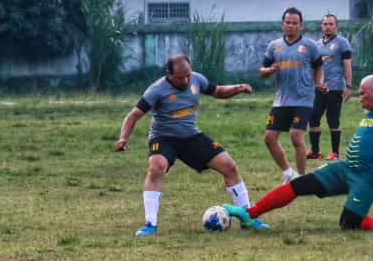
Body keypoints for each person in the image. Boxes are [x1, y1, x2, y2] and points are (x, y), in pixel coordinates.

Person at [225, 59, 373, 231]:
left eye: (362, 94)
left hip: (368, 178)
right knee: (298, 184)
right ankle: (250, 213)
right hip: (346, 168)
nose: (359, 98)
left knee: (348, 224)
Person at [115, 54, 269, 236]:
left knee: (229, 166)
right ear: (169, 74)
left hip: (191, 136)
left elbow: (218, 91)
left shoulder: (197, 79)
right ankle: (150, 224)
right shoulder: (156, 90)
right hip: (164, 138)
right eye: (181, 77)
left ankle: (249, 217)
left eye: (188, 75)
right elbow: (134, 115)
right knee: (156, 168)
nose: (186, 80)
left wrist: (237, 88)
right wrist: (123, 138)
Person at [259, 7, 325, 183]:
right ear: (282, 24)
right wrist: (269, 70)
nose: (291, 26)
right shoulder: (274, 46)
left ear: (301, 26)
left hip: (303, 99)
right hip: (281, 101)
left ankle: (302, 179)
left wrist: (319, 82)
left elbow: (319, 68)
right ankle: (288, 173)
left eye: (295, 23)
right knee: (269, 138)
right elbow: (262, 71)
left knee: (296, 137)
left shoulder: (310, 46)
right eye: (288, 22)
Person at [307, 13, 353, 161]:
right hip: (319, 88)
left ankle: (335, 153)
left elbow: (347, 65)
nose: (328, 27)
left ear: (336, 26)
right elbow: (314, 68)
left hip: (335, 88)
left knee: (333, 120)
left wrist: (348, 86)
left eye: (331, 24)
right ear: (321, 26)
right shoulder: (316, 45)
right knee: (313, 118)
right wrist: (315, 83)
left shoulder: (342, 43)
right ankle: (315, 152)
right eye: (325, 24)